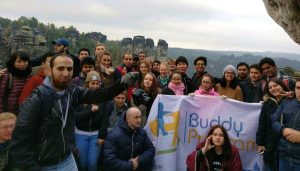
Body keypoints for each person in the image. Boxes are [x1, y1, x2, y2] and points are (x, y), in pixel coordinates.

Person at [9, 54, 138, 170]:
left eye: (69, 69)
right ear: (49, 70)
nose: (66, 73)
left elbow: (100, 95)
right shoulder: (37, 99)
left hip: (67, 160)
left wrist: (122, 83)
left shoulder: (72, 91)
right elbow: (19, 142)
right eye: (60, 68)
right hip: (44, 165)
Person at [104, 107, 155, 171]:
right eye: (136, 117)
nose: (139, 120)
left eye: (140, 117)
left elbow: (151, 149)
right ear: (128, 119)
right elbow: (110, 160)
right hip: (121, 168)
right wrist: (130, 165)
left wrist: (139, 160)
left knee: (151, 162)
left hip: (137, 166)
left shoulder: (142, 132)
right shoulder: (113, 135)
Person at [75, 71, 106, 171]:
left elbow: (105, 119)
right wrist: (90, 111)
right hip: (80, 134)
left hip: (96, 135)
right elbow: (75, 117)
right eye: (93, 83)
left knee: (92, 164)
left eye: (97, 83)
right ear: (87, 84)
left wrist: (101, 136)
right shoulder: (79, 97)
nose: (95, 86)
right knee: (82, 163)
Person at [256, 78, 290, 171]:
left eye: (275, 85)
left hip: (287, 146)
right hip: (270, 144)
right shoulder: (267, 104)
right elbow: (262, 124)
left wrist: (292, 96)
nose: (273, 89)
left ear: (282, 86)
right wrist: (260, 143)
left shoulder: (291, 101)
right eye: (270, 87)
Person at [271, 78, 300, 171]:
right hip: (284, 158)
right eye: (298, 88)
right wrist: (283, 130)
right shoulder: (287, 102)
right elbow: (274, 120)